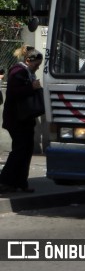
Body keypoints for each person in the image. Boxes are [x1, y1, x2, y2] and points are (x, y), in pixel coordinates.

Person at [0, 46, 44, 193]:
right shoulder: (18, 71)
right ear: (28, 60)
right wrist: (32, 87)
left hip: (24, 118)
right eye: (36, 65)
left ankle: (19, 183)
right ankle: (6, 181)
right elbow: (13, 92)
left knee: (26, 149)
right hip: (17, 119)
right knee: (20, 150)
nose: (37, 68)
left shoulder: (26, 72)